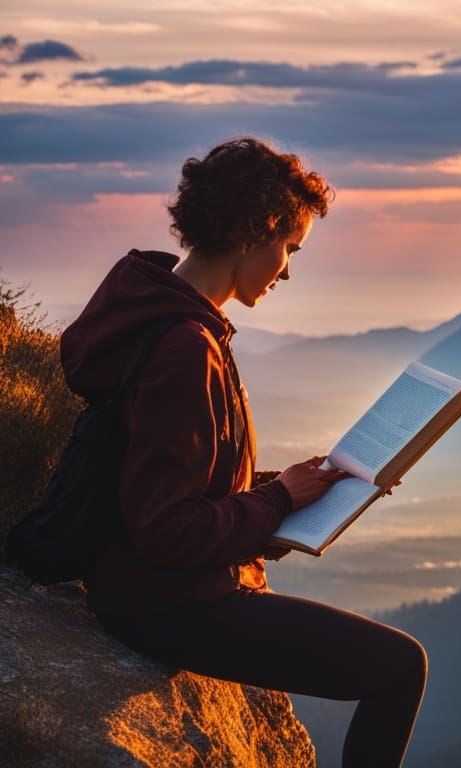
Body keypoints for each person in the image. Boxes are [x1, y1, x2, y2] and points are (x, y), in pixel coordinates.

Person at [59, 136, 427, 768]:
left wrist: (297, 487)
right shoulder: (185, 347)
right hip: (172, 604)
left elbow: (174, 475)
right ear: (254, 230)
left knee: (394, 663)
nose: (286, 270)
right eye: (289, 249)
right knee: (400, 668)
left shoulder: (168, 317)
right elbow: (165, 529)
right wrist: (279, 499)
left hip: (152, 590)